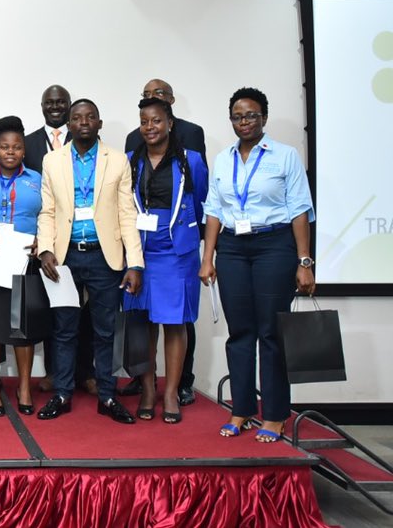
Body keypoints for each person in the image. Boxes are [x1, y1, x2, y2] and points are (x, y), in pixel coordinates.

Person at [200, 87, 315, 443]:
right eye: (237, 116)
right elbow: (214, 211)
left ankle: (276, 415)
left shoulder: (285, 156)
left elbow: (299, 209)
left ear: (263, 117)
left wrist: (304, 261)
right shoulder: (223, 159)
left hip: (274, 246)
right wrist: (208, 258)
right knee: (240, 333)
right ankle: (242, 409)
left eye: (250, 115)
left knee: (270, 332)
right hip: (233, 248)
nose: (244, 121)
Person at [35, 99, 144, 425]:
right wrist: (44, 250)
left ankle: (107, 395)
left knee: (105, 331)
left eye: (90, 117)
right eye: (76, 117)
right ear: (68, 124)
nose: (83, 122)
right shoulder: (52, 161)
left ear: (99, 123)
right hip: (65, 257)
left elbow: (127, 214)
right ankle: (63, 392)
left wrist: (134, 263)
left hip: (104, 257)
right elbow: (48, 211)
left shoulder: (117, 161)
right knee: (64, 329)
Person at [121, 78, 207, 406]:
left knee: (173, 322)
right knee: (142, 324)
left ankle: (170, 392)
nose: (150, 127)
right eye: (144, 122)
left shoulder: (191, 161)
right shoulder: (130, 159)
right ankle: (147, 390)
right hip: (139, 252)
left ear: (170, 122)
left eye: (156, 121)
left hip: (175, 252)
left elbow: (201, 204)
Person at [0, 116, 46, 417]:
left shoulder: (37, 180)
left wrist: (43, 239)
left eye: (16, 147)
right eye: (4, 147)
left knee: (22, 329)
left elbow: (50, 214)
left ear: (24, 150)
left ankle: (24, 386)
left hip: (24, 262)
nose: (10, 152)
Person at [21, 85, 85, 395]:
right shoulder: (29, 143)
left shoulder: (85, 139)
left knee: (81, 310)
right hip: (40, 239)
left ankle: (85, 373)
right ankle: (53, 372)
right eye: (50, 103)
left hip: (78, 237)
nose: (56, 107)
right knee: (50, 308)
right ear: (42, 106)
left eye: (61, 102)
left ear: (70, 106)